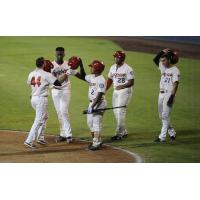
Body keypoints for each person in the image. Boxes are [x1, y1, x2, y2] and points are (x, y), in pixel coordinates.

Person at [24, 57, 67, 149]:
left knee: (45, 116)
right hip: (41, 100)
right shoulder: (46, 74)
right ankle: (29, 140)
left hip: (33, 98)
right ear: (43, 64)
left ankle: (40, 137)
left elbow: (31, 84)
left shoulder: (31, 73)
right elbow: (58, 83)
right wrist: (66, 74)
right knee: (38, 120)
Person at [75, 59, 107, 150]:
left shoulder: (101, 80)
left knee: (96, 123)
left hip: (99, 103)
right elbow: (83, 76)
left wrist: (93, 106)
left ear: (96, 69)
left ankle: (96, 143)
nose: (91, 68)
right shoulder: (92, 76)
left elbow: (100, 94)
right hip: (92, 103)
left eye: (92, 67)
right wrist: (81, 65)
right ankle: (97, 140)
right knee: (90, 123)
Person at [51, 47, 78, 143]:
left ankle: (69, 135)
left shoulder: (68, 64)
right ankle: (62, 134)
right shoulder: (51, 65)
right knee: (59, 113)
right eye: (58, 53)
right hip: (55, 91)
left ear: (64, 54)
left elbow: (78, 74)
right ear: (55, 53)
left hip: (65, 90)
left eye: (61, 53)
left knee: (64, 111)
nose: (59, 55)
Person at [153, 48, 180, 143]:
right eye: (162, 61)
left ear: (169, 60)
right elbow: (155, 59)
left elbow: (175, 84)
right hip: (161, 94)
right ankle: (172, 132)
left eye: (164, 60)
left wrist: (172, 97)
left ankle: (162, 137)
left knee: (165, 115)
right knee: (162, 116)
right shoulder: (163, 67)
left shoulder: (175, 70)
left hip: (169, 94)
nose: (162, 62)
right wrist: (162, 52)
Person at [106, 51, 135, 141]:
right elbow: (110, 80)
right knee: (115, 111)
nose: (115, 58)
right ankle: (124, 131)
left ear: (121, 58)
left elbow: (131, 82)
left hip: (125, 91)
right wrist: (104, 91)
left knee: (120, 111)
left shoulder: (128, 68)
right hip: (116, 91)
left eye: (117, 57)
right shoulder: (112, 67)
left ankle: (119, 133)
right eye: (115, 57)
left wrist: (121, 86)